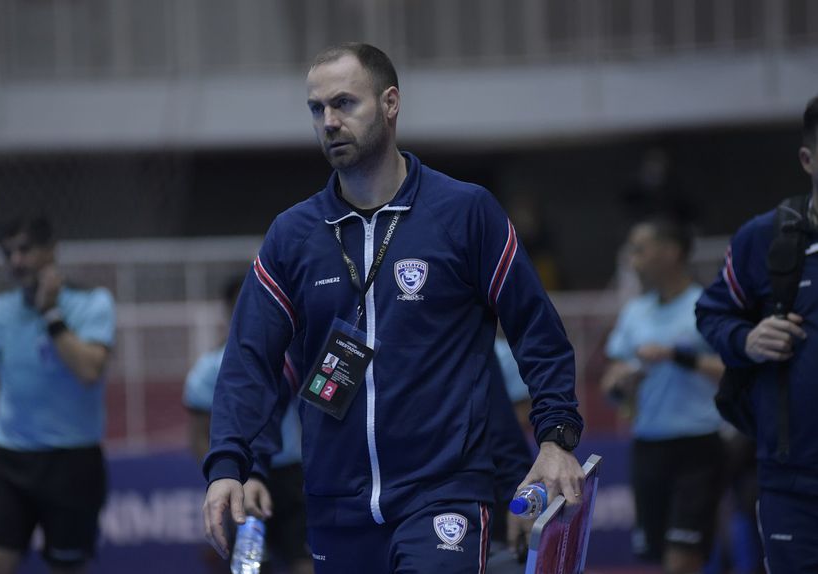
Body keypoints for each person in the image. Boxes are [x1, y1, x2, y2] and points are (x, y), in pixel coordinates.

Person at [202, 43, 584, 573]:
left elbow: (536, 329)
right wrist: (230, 464)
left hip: (444, 496)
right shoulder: (293, 235)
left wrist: (555, 439)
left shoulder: (464, 212)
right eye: (316, 108)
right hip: (335, 505)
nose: (329, 122)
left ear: (390, 103)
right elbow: (250, 358)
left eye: (344, 103)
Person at [695, 95, 818, 573]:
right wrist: (745, 341)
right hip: (794, 483)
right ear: (807, 160)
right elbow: (712, 313)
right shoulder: (765, 239)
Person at [0, 216, 115, 574]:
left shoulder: (93, 303)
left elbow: (89, 370)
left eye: (25, 250)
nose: (16, 261)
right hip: (8, 462)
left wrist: (51, 313)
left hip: (72, 462)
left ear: (51, 250)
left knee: (67, 567)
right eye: (8, 253)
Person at [601, 218, 726, 574]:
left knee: (682, 558)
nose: (633, 261)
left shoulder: (706, 305)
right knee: (659, 556)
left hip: (697, 446)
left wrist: (678, 356)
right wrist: (621, 383)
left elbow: (734, 370)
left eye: (640, 250)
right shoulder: (634, 312)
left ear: (670, 252)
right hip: (648, 446)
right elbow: (611, 381)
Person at [184, 278, 313, 574]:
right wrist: (225, 475)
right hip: (244, 478)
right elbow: (198, 434)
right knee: (251, 566)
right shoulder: (208, 370)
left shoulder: (291, 356)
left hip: (293, 474)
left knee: (304, 560)